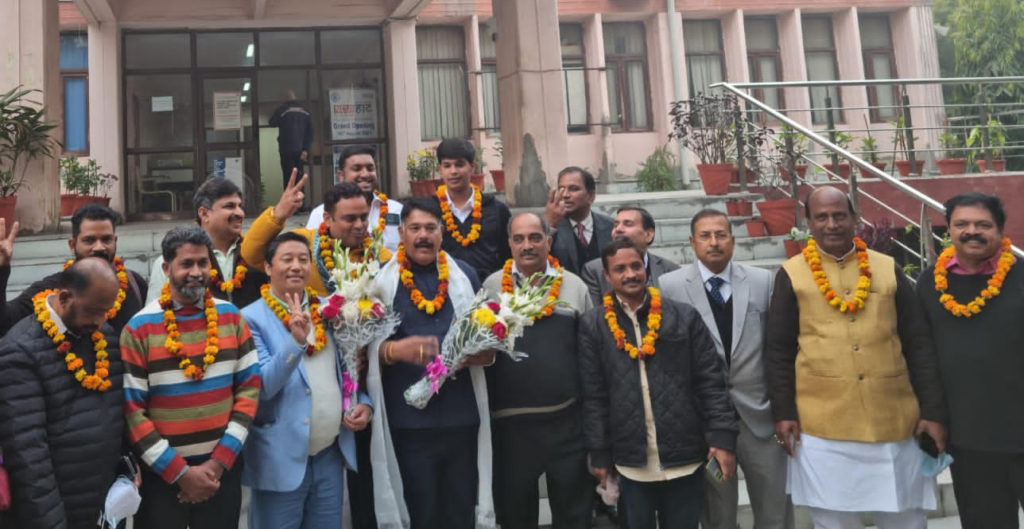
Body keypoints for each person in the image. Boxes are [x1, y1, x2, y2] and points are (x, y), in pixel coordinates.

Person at [764, 186, 947, 529]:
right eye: (822, 217)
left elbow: (919, 344)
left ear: (855, 219)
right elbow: (778, 350)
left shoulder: (887, 268)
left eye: (839, 215)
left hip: (895, 420)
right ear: (808, 223)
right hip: (822, 425)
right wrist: (784, 412)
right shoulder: (792, 273)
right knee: (833, 520)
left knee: (906, 518)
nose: (832, 224)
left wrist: (933, 412)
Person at [579, 238, 738, 529]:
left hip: (685, 456)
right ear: (607, 276)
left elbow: (711, 382)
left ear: (646, 268)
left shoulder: (683, 316)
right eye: (620, 269)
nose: (630, 274)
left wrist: (721, 438)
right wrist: (599, 452)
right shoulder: (594, 325)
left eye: (636, 266)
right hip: (631, 462)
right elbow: (594, 394)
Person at [658, 209, 793, 529]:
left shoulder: (761, 280)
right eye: (705, 236)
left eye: (721, 235)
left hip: (759, 416)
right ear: (692, 242)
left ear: (732, 240)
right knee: (718, 515)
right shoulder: (670, 286)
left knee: (774, 511)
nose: (714, 242)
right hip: (706, 423)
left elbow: (776, 347)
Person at [366, 198, 496, 529]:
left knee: (459, 512)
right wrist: (394, 350)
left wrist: (486, 353)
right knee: (421, 513)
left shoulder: (465, 275)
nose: (423, 236)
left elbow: (486, 334)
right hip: (409, 423)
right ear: (401, 233)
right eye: (415, 228)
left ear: (441, 232)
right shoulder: (380, 281)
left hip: (461, 417)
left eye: (430, 228)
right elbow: (360, 351)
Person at [122, 225, 261, 529]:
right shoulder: (139, 328)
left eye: (203, 263)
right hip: (161, 478)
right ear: (166, 268)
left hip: (220, 472)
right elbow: (133, 411)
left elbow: (249, 391)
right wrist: (180, 474)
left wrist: (218, 463)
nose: (197, 272)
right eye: (186, 264)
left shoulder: (232, 317)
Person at [241, 231, 372, 529]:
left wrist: (363, 403)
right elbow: (263, 387)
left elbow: (347, 370)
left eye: (303, 259)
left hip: (329, 455)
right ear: (268, 267)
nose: (296, 266)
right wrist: (295, 342)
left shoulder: (330, 310)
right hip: (280, 459)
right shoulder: (249, 318)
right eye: (287, 259)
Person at [914, 192, 1021, 528]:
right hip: (969, 437)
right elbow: (922, 355)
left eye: (982, 224)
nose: (972, 231)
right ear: (949, 229)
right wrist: (932, 415)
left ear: (1000, 229)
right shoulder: (930, 284)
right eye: (962, 224)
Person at [481, 212, 594, 529]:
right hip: (511, 430)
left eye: (535, 237)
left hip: (567, 425)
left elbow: (590, 354)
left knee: (574, 517)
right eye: (518, 239)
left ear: (549, 241)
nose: (527, 245)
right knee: (516, 517)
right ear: (509, 244)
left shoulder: (573, 286)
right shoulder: (492, 287)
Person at [0, 258, 130, 529]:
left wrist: (124, 468)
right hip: (55, 512)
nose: (99, 321)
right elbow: (29, 457)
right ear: (64, 297)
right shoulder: (20, 351)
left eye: (105, 311)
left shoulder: (105, 337)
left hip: (104, 507)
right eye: (92, 311)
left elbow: (117, 415)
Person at [0, 204, 147, 335]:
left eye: (106, 239)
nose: (99, 247)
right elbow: (5, 321)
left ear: (115, 241)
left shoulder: (135, 284)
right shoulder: (51, 289)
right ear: (72, 245)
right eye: (89, 240)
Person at [242, 178, 392, 296]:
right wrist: (278, 215)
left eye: (364, 217)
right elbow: (251, 254)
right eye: (350, 219)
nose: (359, 225)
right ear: (327, 219)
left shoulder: (380, 257)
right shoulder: (302, 244)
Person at [147, 177, 268, 308]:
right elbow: (154, 312)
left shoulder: (255, 254)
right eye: (230, 206)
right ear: (204, 214)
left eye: (240, 206)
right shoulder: (171, 260)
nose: (240, 213)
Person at [433, 137, 511, 281]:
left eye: (459, 165)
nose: (453, 171)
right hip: (444, 287)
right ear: (440, 169)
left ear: (472, 167)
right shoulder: (430, 210)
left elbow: (508, 255)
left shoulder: (496, 210)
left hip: (489, 288)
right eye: (447, 166)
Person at [306, 145, 404, 252]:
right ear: (341, 175)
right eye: (357, 169)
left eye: (370, 168)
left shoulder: (397, 210)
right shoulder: (320, 214)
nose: (365, 174)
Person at [580, 206, 677, 306]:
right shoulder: (594, 270)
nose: (618, 229)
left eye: (628, 224)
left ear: (648, 235)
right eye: (615, 225)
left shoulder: (670, 270)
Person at [545, 167, 614, 276]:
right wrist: (549, 225)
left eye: (573, 189)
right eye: (561, 189)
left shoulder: (611, 226)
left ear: (591, 196)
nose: (565, 195)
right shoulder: (552, 227)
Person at [269, 89, 314, 188]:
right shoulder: (305, 111)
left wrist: (278, 108)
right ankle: (300, 197)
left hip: (286, 150)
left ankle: (289, 197)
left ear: (284, 99)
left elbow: (272, 123)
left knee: (288, 177)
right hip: (301, 150)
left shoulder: (282, 110)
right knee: (299, 177)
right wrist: (305, 149)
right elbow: (310, 132)